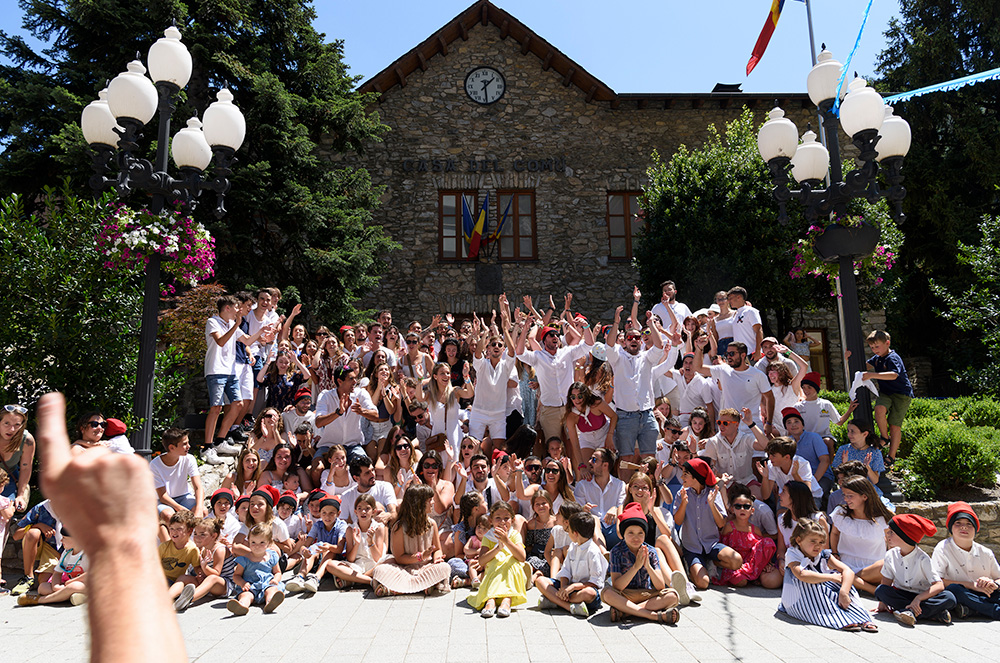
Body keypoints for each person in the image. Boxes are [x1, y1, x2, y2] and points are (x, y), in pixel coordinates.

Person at [31, 392, 187, 662]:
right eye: (94, 424)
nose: (99, 429)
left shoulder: (109, 446)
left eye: (102, 425)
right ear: (82, 428)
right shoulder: (80, 448)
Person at [606, 298, 672, 468]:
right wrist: (616, 322)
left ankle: (650, 491)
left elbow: (658, 346)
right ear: (625, 341)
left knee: (649, 459)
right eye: (630, 337)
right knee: (626, 460)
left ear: (641, 341)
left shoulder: (647, 358)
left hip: (647, 414)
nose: (634, 340)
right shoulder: (617, 358)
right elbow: (610, 344)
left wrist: (651, 324)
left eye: (637, 337)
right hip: (625, 416)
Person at [778, 518, 877, 631]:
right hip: (799, 596)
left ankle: (861, 617)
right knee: (814, 585)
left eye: (821, 542)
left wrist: (844, 591)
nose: (817, 546)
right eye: (813, 541)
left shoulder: (824, 554)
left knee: (845, 583)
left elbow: (847, 571)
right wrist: (830, 577)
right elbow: (802, 575)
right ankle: (839, 618)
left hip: (823, 586)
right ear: (799, 540)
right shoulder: (793, 554)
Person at [515, 310, 595, 446]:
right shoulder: (538, 357)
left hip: (570, 408)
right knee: (554, 447)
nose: (555, 337)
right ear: (544, 339)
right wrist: (526, 330)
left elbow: (589, 344)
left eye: (557, 335)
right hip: (549, 410)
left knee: (574, 445)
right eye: (551, 335)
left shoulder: (567, 352)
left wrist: (586, 327)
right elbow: (520, 353)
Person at [602, 502, 681, 624]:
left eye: (640, 533)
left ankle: (626, 612)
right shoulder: (616, 552)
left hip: (647, 594)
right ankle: (654, 616)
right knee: (607, 593)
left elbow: (660, 586)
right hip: (626, 594)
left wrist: (648, 566)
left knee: (673, 596)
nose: (636, 538)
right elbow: (617, 586)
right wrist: (635, 567)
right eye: (631, 533)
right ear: (623, 534)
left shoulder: (651, 551)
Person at [673, 458, 742, 591]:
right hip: (692, 547)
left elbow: (721, 523)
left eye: (685, 474)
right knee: (703, 583)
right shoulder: (681, 494)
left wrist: (711, 504)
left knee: (736, 560)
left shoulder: (713, 493)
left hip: (711, 545)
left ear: (696, 477)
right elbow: (678, 521)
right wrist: (683, 504)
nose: (682, 477)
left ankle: (710, 561)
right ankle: (692, 568)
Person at [875, 513, 957, 625]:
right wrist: (882, 602)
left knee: (949, 598)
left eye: (892, 532)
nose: (887, 535)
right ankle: (933, 614)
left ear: (904, 536)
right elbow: (886, 581)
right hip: (902, 594)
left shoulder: (923, 559)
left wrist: (918, 599)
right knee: (881, 590)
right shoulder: (890, 554)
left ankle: (909, 611)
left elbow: (939, 585)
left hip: (923, 596)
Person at [371, 484, 452, 596]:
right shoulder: (399, 527)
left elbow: (437, 549)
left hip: (426, 567)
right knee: (380, 570)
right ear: (419, 504)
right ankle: (425, 586)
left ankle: (396, 590)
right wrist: (421, 556)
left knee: (444, 567)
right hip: (403, 569)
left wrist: (437, 558)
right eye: (429, 500)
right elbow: (399, 558)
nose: (433, 503)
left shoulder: (432, 524)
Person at [932, 502, 1000, 620]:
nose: (964, 527)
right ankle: (994, 611)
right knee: (953, 590)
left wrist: (992, 583)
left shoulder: (985, 552)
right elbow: (937, 581)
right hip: (962, 593)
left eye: (969, 524)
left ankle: (972, 610)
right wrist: (972, 585)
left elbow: (998, 577)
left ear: (975, 529)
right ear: (951, 528)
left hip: (985, 594)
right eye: (958, 523)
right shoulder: (942, 548)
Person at [693, 338, 773, 435]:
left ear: (743, 355)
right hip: (727, 428)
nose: (729, 357)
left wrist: (768, 422)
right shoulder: (723, 370)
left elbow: (770, 398)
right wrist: (699, 348)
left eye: (732, 354)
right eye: (727, 354)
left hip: (751, 428)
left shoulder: (758, 375)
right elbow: (698, 368)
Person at [535, 510, 607, 618]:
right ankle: (569, 606)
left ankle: (555, 600)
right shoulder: (573, 547)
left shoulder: (593, 552)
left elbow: (596, 582)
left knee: (589, 593)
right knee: (540, 580)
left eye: (569, 531)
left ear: (575, 533)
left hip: (581, 591)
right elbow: (565, 571)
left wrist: (574, 587)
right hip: (569, 589)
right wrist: (564, 587)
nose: (568, 533)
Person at [829, 476, 892, 594]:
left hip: (872, 568)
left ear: (864, 496)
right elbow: (834, 533)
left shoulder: (882, 517)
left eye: (850, 495)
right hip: (845, 564)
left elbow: (891, 542)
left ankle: (850, 581)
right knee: (830, 562)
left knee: (886, 565)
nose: (846, 499)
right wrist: (834, 552)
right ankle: (873, 590)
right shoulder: (840, 513)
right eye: (845, 495)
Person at [863, 329, 914, 466]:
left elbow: (893, 375)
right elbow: (863, 365)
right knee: (879, 409)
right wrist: (849, 357)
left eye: (877, 346)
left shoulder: (893, 358)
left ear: (887, 343)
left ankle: (891, 456)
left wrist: (873, 375)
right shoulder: (877, 358)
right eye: (872, 347)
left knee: (894, 425)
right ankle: (884, 437)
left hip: (901, 394)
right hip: (886, 393)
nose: (874, 350)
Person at [470, 501, 529, 618]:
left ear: (512, 521)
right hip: (494, 570)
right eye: (498, 518)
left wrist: (507, 541)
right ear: (491, 520)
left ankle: (507, 599)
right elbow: (481, 561)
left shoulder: (514, 535)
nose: (502, 522)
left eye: (506, 518)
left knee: (511, 561)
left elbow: (522, 557)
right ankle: (490, 600)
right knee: (495, 562)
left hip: (511, 569)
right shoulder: (488, 537)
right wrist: (497, 548)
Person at [319, 494, 387, 590]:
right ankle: (370, 581)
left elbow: (377, 558)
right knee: (330, 565)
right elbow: (350, 559)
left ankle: (354, 579)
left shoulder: (379, 527)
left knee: (389, 562)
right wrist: (357, 544)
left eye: (367, 508)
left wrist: (371, 542)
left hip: (375, 566)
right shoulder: (350, 529)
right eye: (359, 508)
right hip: (357, 566)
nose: (363, 512)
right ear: (355, 511)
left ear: (373, 511)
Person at [471, 310, 517, 449]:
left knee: (498, 449)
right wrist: (485, 333)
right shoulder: (482, 365)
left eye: (499, 345)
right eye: (493, 344)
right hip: (479, 412)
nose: (496, 346)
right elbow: (477, 353)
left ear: (503, 350)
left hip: (499, 413)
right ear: (489, 348)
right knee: (474, 447)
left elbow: (512, 352)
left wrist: (504, 330)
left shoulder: (506, 366)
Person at [716, 490, 780, 588]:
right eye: (738, 506)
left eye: (746, 507)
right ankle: (751, 576)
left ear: (752, 510)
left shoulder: (755, 529)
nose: (742, 509)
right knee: (741, 582)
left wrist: (766, 562)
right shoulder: (729, 526)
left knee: (768, 542)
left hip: (751, 563)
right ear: (733, 509)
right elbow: (724, 545)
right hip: (735, 563)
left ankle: (753, 573)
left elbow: (760, 550)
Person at [314, 366, 378, 465]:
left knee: (365, 467)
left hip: (353, 446)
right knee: (317, 469)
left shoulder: (361, 393)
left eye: (355, 378)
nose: (355, 382)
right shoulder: (325, 396)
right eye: (351, 379)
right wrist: (338, 413)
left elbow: (376, 415)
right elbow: (318, 422)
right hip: (328, 446)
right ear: (340, 381)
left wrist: (362, 411)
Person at [699, 407, 769, 494]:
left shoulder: (746, 438)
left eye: (725, 423)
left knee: (758, 496)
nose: (721, 426)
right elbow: (708, 469)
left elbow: (766, 446)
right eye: (719, 422)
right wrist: (721, 477)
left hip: (746, 482)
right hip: (725, 484)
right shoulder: (713, 442)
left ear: (736, 425)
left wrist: (751, 424)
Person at [286, 495, 346, 594]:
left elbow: (339, 548)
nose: (327, 517)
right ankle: (300, 576)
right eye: (324, 513)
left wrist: (329, 547)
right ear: (320, 513)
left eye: (331, 513)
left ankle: (316, 578)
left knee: (328, 550)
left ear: (338, 514)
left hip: (336, 561)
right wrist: (304, 551)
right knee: (313, 548)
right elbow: (305, 544)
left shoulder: (342, 525)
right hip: (320, 558)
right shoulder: (318, 525)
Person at [16, 526, 88, 606]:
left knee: (74, 587)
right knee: (43, 587)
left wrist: (71, 582)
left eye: (64, 538)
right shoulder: (66, 553)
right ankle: (75, 596)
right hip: (68, 585)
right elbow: (57, 572)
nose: (61, 540)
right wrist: (55, 586)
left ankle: (40, 600)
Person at [150, 428, 205, 533]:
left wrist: (199, 509)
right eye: (184, 444)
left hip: (184, 497)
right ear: (171, 447)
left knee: (204, 511)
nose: (188, 446)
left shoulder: (189, 459)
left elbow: (198, 487)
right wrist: (182, 510)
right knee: (169, 517)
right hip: (164, 501)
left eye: (188, 443)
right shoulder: (155, 465)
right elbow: (162, 496)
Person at [228, 522, 286, 615]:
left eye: (262, 542)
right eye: (253, 542)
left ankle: (270, 602)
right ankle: (242, 605)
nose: (257, 546)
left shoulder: (271, 556)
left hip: (267, 584)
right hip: (250, 586)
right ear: (248, 542)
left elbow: (277, 572)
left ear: (269, 543)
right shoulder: (244, 559)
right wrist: (243, 583)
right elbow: (236, 576)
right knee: (246, 595)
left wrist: (276, 579)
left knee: (272, 590)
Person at [574, 447, 626, 549]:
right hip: (590, 531)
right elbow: (576, 511)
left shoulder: (619, 485)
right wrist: (582, 509)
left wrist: (615, 508)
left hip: (614, 529)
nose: (589, 462)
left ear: (605, 465)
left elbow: (622, 505)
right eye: (590, 459)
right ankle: (604, 553)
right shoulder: (582, 485)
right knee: (593, 520)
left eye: (594, 460)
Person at [9, 496, 60, 597]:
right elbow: (16, 535)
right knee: (44, 582)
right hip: (50, 548)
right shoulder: (41, 508)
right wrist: (37, 526)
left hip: (71, 549)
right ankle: (28, 577)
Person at [757, 437, 822, 503]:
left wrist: (795, 475)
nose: (769, 458)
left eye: (773, 455)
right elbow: (765, 496)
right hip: (787, 497)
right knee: (781, 513)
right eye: (769, 454)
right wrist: (765, 477)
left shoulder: (802, 464)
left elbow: (807, 492)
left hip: (811, 498)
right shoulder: (772, 465)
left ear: (787, 457)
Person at [340, 455, 399, 523]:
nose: (373, 474)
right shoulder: (346, 496)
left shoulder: (385, 487)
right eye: (367, 473)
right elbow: (342, 524)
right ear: (356, 478)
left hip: (381, 530)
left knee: (377, 506)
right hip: (357, 531)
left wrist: (388, 515)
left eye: (372, 470)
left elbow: (394, 513)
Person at [160, 511, 200, 608]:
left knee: (186, 580)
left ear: (189, 531)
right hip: (161, 579)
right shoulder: (164, 546)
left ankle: (170, 599)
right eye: (172, 528)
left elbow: (196, 567)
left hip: (175, 583)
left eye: (179, 529)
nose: (174, 532)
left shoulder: (192, 549)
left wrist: (200, 574)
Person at [1, 403, 35, 516]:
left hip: (7, 478)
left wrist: (20, 495)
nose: (11, 429)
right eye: (7, 423)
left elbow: (26, 468)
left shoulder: (27, 440)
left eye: (17, 424)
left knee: (7, 512)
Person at [726, 286, 763, 361]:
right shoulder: (735, 314)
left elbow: (759, 331)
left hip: (752, 354)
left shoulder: (751, 311)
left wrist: (758, 351)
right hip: (740, 356)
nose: (729, 301)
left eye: (730, 298)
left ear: (739, 297)